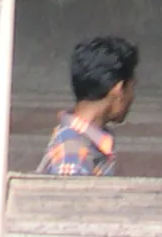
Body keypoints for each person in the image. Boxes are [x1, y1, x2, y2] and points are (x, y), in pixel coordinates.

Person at [37, 35, 138, 174]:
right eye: (132, 87)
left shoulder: (81, 142)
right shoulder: (74, 155)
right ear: (118, 90)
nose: (132, 97)